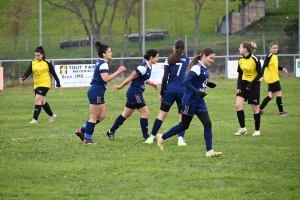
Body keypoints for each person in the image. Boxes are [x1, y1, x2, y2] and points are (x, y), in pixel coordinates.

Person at [156, 47, 222, 158]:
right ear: (204, 56)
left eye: (213, 58)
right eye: (211, 58)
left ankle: (209, 151)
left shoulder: (204, 67)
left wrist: (207, 84)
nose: (212, 60)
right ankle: (162, 137)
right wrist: (197, 91)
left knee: (208, 124)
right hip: (190, 102)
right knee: (184, 125)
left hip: (200, 102)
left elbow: (197, 80)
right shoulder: (197, 67)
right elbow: (186, 82)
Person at [74, 41, 126, 144]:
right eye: (109, 52)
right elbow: (105, 78)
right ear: (104, 54)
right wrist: (118, 71)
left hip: (98, 92)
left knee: (101, 116)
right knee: (94, 117)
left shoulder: (102, 63)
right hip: (96, 92)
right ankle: (87, 139)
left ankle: (82, 131)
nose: (111, 53)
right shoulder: (103, 64)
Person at [106, 49, 159, 141]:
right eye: (157, 57)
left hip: (134, 93)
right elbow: (130, 77)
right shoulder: (143, 67)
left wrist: (153, 84)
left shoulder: (149, 67)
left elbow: (144, 79)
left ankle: (111, 131)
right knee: (145, 113)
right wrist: (120, 86)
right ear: (151, 57)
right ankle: (145, 136)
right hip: (135, 93)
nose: (158, 59)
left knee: (125, 114)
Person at [144, 40, 190, 146]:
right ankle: (180, 139)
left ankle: (151, 137)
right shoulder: (188, 60)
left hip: (170, 91)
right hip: (182, 92)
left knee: (161, 115)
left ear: (174, 48)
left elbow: (165, 78)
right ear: (184, 49)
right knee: (182, 116)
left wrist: (162, 93)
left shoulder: (169, 59)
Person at [19, 46, 62, 124]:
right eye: (35, 55)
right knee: (42, 102)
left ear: (42, 55)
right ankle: (52, 115)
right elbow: (28, 71)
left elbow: (53, 73)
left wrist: (58, 83)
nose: (36, 57)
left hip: (45, 84)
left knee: (38, 100)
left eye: (38, 55)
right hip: (37, 84)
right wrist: (23, 78)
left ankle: (34, 119)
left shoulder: (47, 62)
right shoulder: (33, 62)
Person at [234, 41, 262, 136]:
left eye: (240, 47)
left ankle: (257, 130)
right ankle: (243, 128)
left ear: (245, 49)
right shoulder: (240, 59)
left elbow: (260, 74)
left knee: (255, 108)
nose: (239, 49)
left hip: (253, 85)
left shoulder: (255, 59)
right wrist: (239, 86)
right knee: (238, 105)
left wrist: (250, 85)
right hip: (243, 84)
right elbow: (240, 74)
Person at [259, 41, 288, 116]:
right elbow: (264, 65)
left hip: (273, 78)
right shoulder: (270, 55)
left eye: (276, 48)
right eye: (273, 48)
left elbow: (276, 67)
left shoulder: (275, 56)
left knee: (271, 95)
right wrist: (261, 75)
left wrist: (282, 68)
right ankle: (281, 111)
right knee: (279, 93)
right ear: (270, 48)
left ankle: (259, 109)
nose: (275, 49)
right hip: (273, 78)